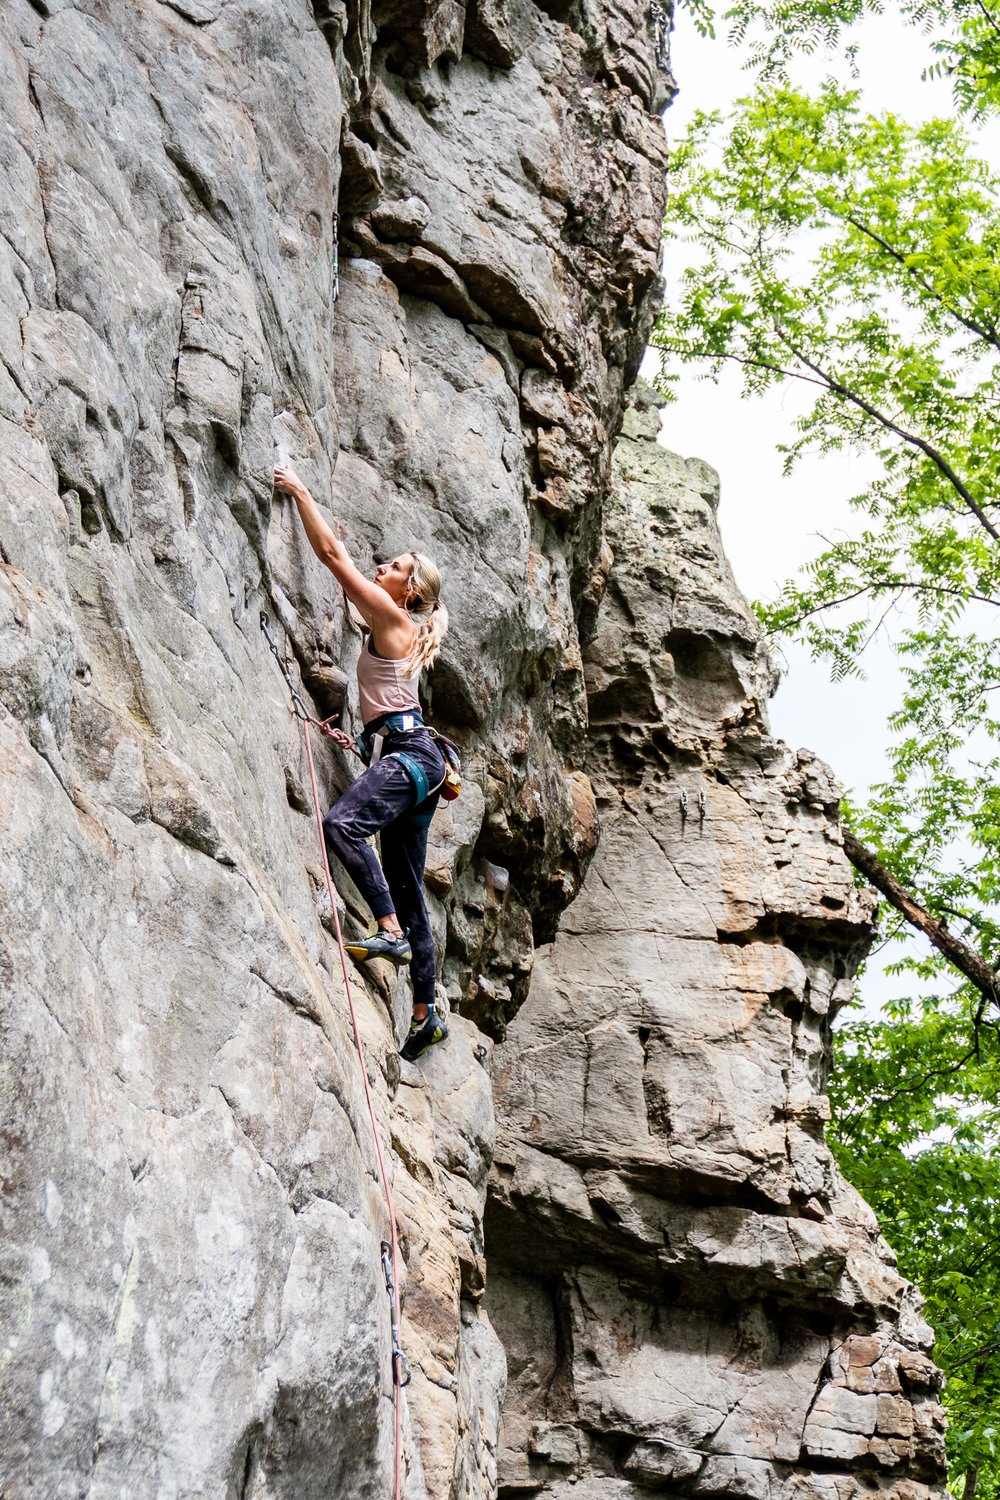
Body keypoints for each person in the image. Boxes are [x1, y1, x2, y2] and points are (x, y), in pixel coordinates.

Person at [274, 463, 450, 1062]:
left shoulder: (395, 618)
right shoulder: (400, 621)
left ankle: (390, 933)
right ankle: (425, 1012)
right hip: (416, 759)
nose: (384, 568)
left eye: (396, 568)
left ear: (411, 593)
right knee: (406, 884)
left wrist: (299, 488)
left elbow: (331, 556)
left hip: (410, 755)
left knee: (341, 826)